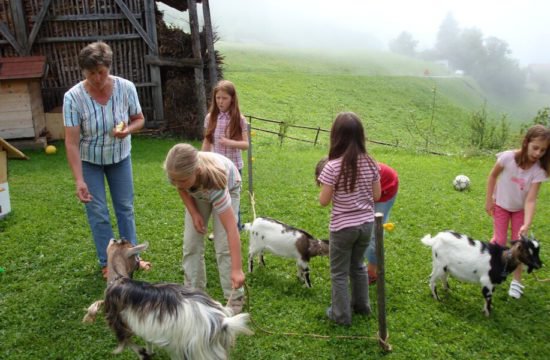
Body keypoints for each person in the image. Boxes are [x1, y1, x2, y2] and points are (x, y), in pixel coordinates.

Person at [63, 41, 150, 279]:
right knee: (98, 211)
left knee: (125, 208)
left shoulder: (126, 88)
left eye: (102, 72)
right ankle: (108, 262)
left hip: (119, 157)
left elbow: (139, 119)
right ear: (83, 72)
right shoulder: (73, 98)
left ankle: (132, 258)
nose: (98, 78)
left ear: (108, 68)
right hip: (90, 160)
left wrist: (128, 130)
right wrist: (79, 180)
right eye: (91, 73)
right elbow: (71, 142)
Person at [163, 143, 246, 314]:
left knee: (223, 246)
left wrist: (237, 269)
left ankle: (234, 296)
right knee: (191, 243)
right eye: (175, 180)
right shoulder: (178, 174)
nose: (178, 184)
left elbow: (231, 229)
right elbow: (182, 188)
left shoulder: (216, 184)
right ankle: (194, 294)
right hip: (199, 190)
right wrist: (194, 213)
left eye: (183, 180)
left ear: (197, 171)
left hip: (226, 185)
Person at [317, 112, 381, 326]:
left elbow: (323, 201)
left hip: (342, 228)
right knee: (358, 266)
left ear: (336, 136)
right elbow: (377, 195)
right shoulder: (371, 163)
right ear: (361, 136)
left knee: (339, 273)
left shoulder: (332, 166)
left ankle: (341, 315)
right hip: (366, 225)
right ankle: (362, 307)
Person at [485, 124, 550, 299]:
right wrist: (489, 200)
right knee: (499, 241)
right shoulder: (507, 158)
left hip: (519, 211)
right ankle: (492, 268)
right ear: (526, 142)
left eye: (543, 151)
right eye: (535, 148)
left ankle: (516, 280)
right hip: (500, 206)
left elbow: (530, 200)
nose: (538, 153)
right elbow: (492, 176)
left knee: (519, 248)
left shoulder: (538, 171)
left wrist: (526, 224)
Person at [316, 158, 398, 286]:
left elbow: (369, 197)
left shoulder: (354, 173)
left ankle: (372, 272)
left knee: (374, 233)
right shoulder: (344, 173)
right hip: (372, 188)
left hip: (387, 187)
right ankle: (356, 263)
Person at [202, 80, 249, 230]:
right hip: (216, 167)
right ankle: (220, 230)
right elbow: (207, 141)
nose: (221, 102)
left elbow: (246, 145)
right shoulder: (210, 118)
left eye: (225, 98)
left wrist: (229, 142)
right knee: (217, 197)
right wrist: (201, 159)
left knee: (233, 199)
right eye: (218, 98)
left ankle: (235, 228)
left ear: (232, 99)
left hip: (234, 167)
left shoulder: (239, 119)